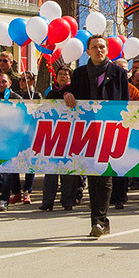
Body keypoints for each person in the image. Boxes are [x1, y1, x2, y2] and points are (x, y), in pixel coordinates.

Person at [63, 35, 129, 238]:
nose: (98, 50)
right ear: (88, 51)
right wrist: (67, 94)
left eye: (102, 47)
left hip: (110, 131)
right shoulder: (80, 73)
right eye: (94, 47)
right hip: (87, 132)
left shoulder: (118, 73)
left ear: (107, 50)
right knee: (93, 177)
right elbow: (69, 94)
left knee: (105, 175)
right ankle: (99, 221)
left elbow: (125, 104)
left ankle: (100, 220)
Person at [0, 73, 34, 210]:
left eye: (4, 81)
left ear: (9, 83)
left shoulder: (17, 99)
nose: (1, 84)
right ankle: (5, 190)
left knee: (8, 169)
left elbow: (24, 117)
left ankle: (4, 199)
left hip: (13, 140)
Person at [40, 67, 80, 211]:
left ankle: (68, 201)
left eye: (66, 74)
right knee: (50, 170)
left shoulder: (75, 92)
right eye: (60, 74)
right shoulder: (51, 93)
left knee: (68, 171)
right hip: (53, 135)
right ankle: (47, 201)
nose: (63, 76)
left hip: (70, 135)